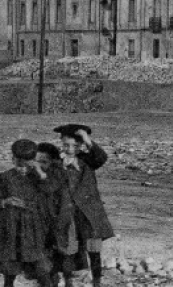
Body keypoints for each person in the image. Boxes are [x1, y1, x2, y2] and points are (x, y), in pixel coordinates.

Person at [54, 123, 116, 287]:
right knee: (68, 248)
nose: (69, 149)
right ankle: (68, 282)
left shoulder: (88, 161)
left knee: (94, 249)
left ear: (81, 146)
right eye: (66, 145)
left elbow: (101, 158)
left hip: (89, 214)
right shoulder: (56, 164)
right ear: (61, 143)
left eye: (75, 145)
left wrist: (88, 139)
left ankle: (97, 282)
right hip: (68, 213)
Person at [0, 140, 54, 287]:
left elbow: (50, 200)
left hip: (34, 230)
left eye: (26, 164)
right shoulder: (5, 178)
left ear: (33, 162)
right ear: (13, 160)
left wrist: (28, 205)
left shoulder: (40, 178)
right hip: (11, 228)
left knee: (41, 268)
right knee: (9, 268)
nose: (22, 168)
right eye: (19, 164)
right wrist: (5, 202)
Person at [35, 143, 80, 287]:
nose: (39, 165)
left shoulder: (58, 174)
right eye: (37, 161)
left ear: (53, 161)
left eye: (43, 161)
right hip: (49, 222)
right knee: (49, 260)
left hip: (62, 221)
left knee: (63, 255)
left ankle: (67, 282)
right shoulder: (44, 175)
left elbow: (50, 188)